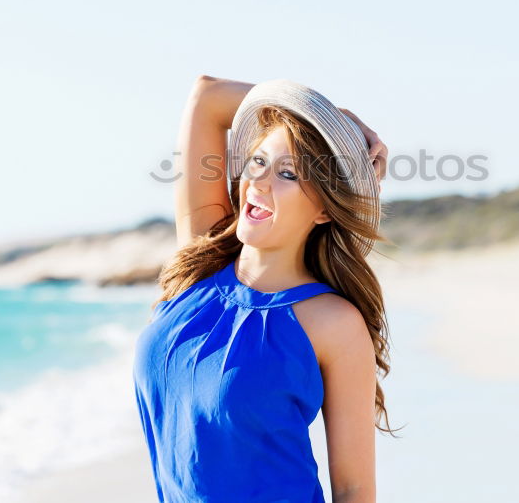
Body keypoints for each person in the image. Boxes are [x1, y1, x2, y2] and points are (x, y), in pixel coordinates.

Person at [133, 75, 400, 502]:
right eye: (257, 162)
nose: (259, 181)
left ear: (324, 210)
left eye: (288, 173)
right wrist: (332, 117)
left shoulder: (333, 323)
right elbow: (208, 95)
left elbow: (353, 491)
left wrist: (333, 132)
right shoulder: (197, 267)